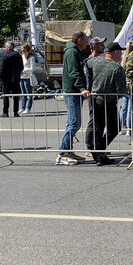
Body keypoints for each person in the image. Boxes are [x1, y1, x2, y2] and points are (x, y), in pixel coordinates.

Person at [85, 42, 127, 166]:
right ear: (115, 52)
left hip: (95, 99)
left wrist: (90, 83)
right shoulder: (117, 68)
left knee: (98, 128)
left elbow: (86, 63)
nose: (121, 54)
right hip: (108, 102)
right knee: (114, 128)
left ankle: (98, 153)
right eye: (120, 52)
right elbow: (121, 90)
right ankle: (99, 153)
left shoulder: (95, 61)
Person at [56, 31, 91, 166]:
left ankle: (68, 150)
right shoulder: (72, 52)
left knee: (72, 123)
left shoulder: (75, 51)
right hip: (72, 92)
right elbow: (73, 72)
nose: (87, 41)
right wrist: (82, 88)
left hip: (74, 91)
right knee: (74, 123)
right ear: (79, 40)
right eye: (86, 39)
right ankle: (62, 153)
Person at [0, 41, 23, 118]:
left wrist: (1, 78)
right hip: (15, 79)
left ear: (9, 47)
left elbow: (1, 69)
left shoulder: (4, 56)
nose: (5, 48)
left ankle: (5, 112)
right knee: (16, 96)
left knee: (6, 96)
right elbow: (21, 67)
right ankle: (16, 112)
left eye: (5, 47)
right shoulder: (18, 55)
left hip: (6, 79)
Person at [19, 43, 35, 115]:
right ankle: (23, 107)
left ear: (26, 49)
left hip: (28, 77)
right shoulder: (22, 56)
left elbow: (32, 68)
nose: (21, 49)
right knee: (23, 93)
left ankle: (28, 108)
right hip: (21, 76)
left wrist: (24, 70)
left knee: (29, 93)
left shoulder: (31, 57)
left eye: (23, 48)